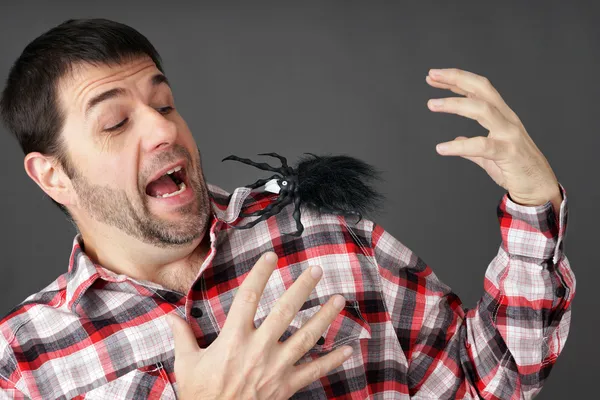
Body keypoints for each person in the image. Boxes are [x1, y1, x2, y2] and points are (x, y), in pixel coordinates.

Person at [0, 19, 574, 400]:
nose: (162, 129)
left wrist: (532, 205)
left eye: (165, 103)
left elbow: (487, 378)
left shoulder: (321, 236)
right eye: (115, 122)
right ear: (52, 175)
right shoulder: (21, 362)